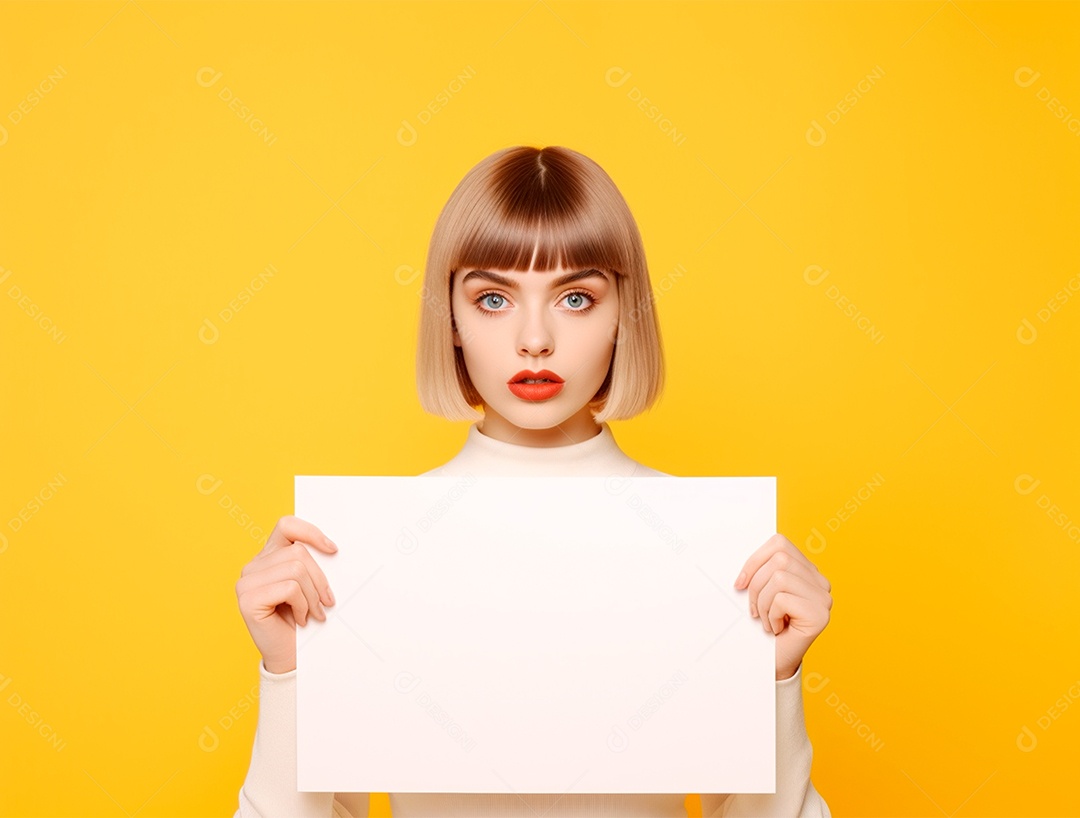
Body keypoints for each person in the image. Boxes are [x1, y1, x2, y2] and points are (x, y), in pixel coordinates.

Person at [233, 146, 833, 817]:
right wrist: (288, 671)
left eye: (576, 297)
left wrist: (775, 677)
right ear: (451, 320)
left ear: (623, 316)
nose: (535, 339)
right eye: (493, 297)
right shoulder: (366, 550)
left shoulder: (712, 550)